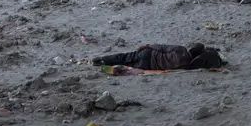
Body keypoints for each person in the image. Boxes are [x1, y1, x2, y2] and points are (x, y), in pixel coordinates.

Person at [92, 42, 225, 71]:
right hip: (149, 66)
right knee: (128, 65)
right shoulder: (188, 66)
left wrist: (147, 45)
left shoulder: (181, 49)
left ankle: (103, 60)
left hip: (149, 54)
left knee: (124, 56)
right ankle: (105, 65)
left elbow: (161, 47)